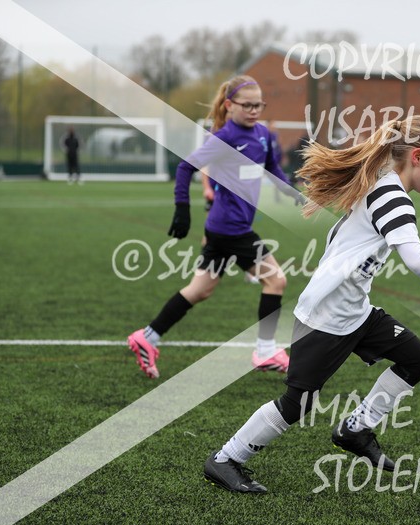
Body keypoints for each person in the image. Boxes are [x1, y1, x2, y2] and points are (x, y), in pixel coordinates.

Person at [203, 115, 420, 493]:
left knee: (417, 359)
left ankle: (356, 429)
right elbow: (417, 261)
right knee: (298, 404)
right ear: (417, 156)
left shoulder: (384, 183)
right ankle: (227, 458)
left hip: (355, 313)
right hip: (325, 318)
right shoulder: (392, 196)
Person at [127, 74, 301, 379]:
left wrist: (288, 190)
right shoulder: (225, 137)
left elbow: (272, 165)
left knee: (200, 290)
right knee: (276, 281)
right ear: (229, 105)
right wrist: (182, 209)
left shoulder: (262, 134)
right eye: (246, 105)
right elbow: (185, 167)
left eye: (258, 105)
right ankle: (264, 351)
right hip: (232, 228)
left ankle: (149, 336)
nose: (253, 110)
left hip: (225, 228)